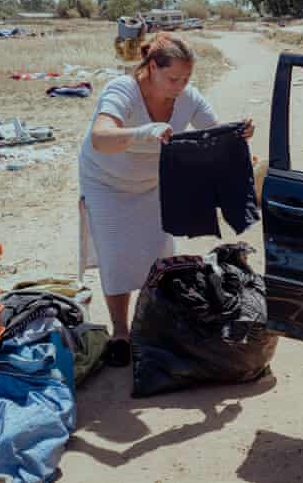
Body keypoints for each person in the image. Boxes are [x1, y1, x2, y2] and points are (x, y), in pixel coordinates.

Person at [79, 32, 255, 367]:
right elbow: (100, 138)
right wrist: (142, 132)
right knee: (116, 255)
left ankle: (155, 324)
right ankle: (120, 332)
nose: (180, 85)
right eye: (172, 78)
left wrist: (238, 133)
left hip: (151, 182)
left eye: (186, 78)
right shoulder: (123, 90)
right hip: (106, 181)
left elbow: (212, 133)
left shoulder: (189, 97)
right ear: (150, 68)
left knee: (159, 252)